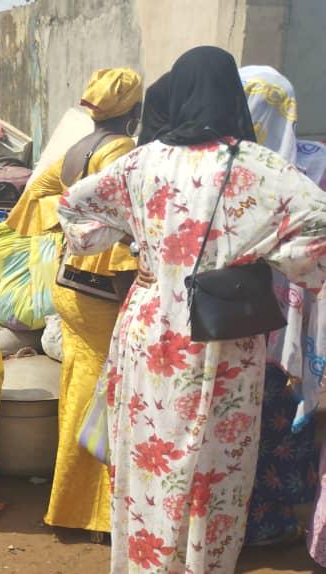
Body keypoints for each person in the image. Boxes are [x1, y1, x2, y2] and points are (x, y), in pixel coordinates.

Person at [58, 46, 326, 573]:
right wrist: (268, 255)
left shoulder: (141, 162)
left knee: (148, 463)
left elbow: (74, 209)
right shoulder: (263, 168)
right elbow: (318, 235)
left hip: (150, 331)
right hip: (226, 334)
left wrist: (137, 240)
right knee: (215, 472)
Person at [0, 68, 142, 538]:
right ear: (134, 111)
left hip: (68, 284)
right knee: (102, 397)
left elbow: (38, 195)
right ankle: (90, 511)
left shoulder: (77, 148)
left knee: (79, 386)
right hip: (101, 292)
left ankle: (68, 499)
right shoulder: (120, 150)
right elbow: (121, 221)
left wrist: (70, 227)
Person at [235, 65, 324, 548]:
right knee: (280, 413)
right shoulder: (314, 163)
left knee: (241, 418)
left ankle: (239, 524)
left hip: (232, 315)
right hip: (293, 317)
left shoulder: (219, 165)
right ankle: (274, 520)